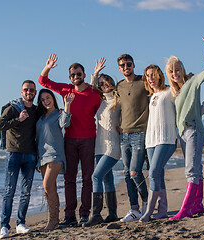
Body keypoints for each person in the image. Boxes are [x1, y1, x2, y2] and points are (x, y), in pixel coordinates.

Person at [38, 54, 102, 227]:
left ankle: (84, 214)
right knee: (69, 179)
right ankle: (69, 216)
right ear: (69, 78)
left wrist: (95, 77)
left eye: (78, 74)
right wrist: (48, 66)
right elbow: (43, 81)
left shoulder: (94, 93)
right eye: (73, 75)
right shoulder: (66, 90)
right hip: (70, 140)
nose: (76, 77)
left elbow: (106, 106)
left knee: (87, 179)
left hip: (89, 139)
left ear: (83, 74)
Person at [167, 37, 204, 220]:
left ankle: (185, 209)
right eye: (171, 71)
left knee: (191, 171)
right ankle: (197, 205)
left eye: (177, 70)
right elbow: (192, 111)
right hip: (184, 134)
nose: (175, 73)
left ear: (183, 70)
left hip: (194, 131)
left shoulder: (193, 82)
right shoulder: (176, 93)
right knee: (197, 170)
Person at [0, 80, 38, 238]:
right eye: (26, 90)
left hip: (30, 155)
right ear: (22, 92)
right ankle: (4, 227)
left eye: (32, 90)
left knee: (26, 192)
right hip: (13, 154)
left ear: (35, 92)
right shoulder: (13, 108)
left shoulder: (36, 110)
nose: (29, 92)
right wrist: (18, 120)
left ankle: (20, 223)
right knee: (9, 192)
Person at [83, 58, 121, 227]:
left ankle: (96, 214)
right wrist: (95, 74)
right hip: (99, 146)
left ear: (111, 83)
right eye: (101, 84)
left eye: (105, 83)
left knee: (96, 176)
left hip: (113, 146)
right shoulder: (99, 101)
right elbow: (90, 90)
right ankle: (112, 213)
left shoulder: (118, 101)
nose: (103, 86)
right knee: (107, 179)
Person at [138, 64, 178, 222]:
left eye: (153, 75)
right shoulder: (151, 96)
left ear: (160, 75)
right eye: (148, 76)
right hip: (151, 140)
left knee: (153, 173)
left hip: (167, 139)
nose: (151, 78)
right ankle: (162, 210)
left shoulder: (170, 92)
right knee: (158, 174)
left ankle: (148, 212)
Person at [36, 89, 75, 230]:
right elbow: (38, 138)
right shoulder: (40, 118)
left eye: (48, 97)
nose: (46, 101)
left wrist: (67, 105)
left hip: (55, 155)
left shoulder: (59, 114)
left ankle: (53, 221)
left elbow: (66, 123)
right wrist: (37, 157)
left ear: (53, 98)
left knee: (47, 186)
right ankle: (53, 221)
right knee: (49, 188)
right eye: (43, 99)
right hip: (42, 157)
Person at [116, 54, 149, 222]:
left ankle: (146, 203)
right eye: (122, 65)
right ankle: (134, 209)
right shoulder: (119, 86)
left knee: (135, 172)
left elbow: (162, 88)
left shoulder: (144, 81)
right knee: (127, 174)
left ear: (134, 64)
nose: (125, 67)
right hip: (124, 134)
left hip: (140, 132)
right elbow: (106, 95)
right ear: (119, 68)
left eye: (128, 64)